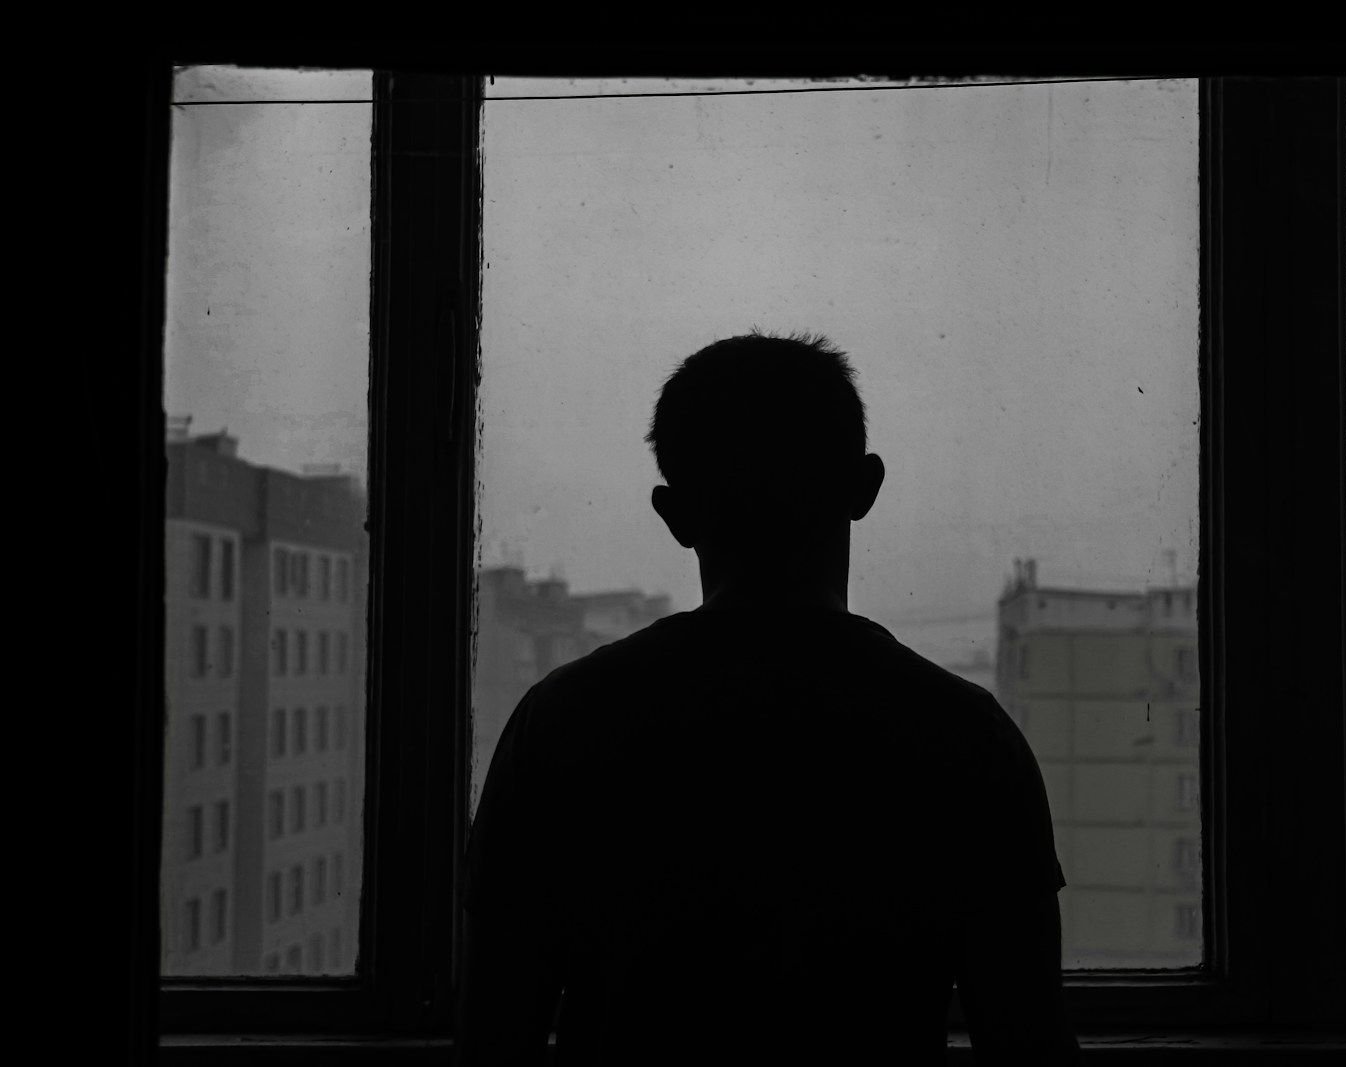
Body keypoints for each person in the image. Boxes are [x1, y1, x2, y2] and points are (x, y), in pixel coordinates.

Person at [459, 331, 1080, 1064]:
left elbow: (496, 1033)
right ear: (865, 486)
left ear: (674, 513)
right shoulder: (968, 738)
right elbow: (1028, 1040)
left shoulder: (561, 724)